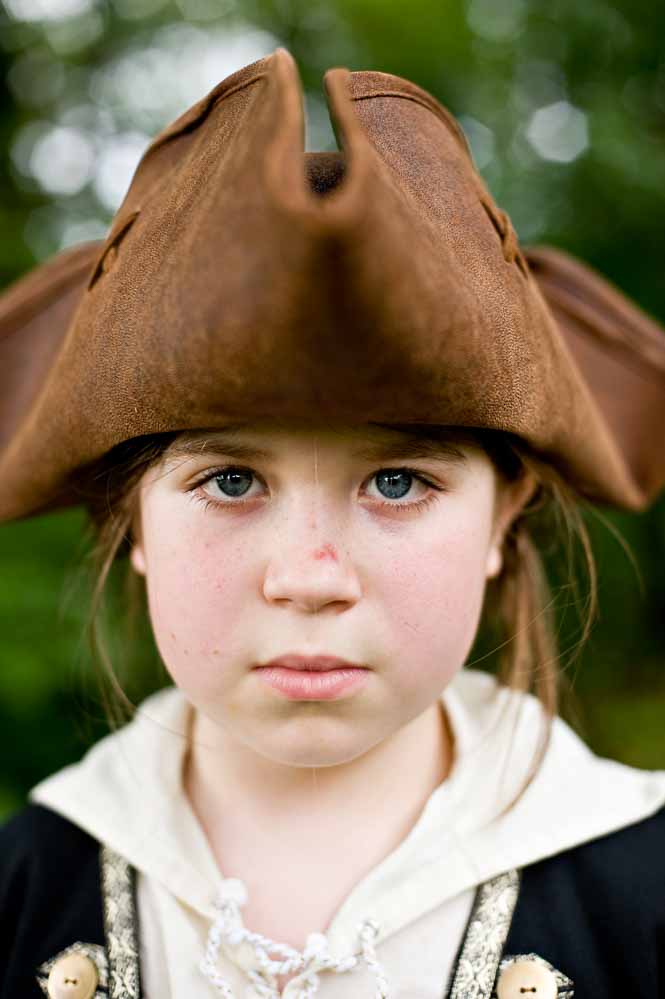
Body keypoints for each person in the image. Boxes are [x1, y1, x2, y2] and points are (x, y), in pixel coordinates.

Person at [1, 46, 664, 999]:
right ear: (133, 519)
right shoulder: (26, 886)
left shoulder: (637, 891)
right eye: (230, 479)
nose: (310, 577)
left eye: (395, 482)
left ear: (500, 518)